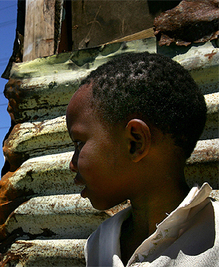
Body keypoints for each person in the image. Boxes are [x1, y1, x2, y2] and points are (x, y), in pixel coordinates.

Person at [66, 52, 219, 266]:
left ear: (135, 142)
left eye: (79, 143)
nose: (72, 164)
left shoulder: (215, 239)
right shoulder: (99, 243)